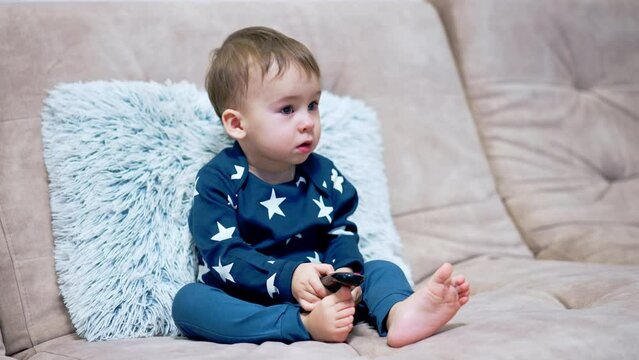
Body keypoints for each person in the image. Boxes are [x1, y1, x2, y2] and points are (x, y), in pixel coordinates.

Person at [171, 26, 470, 348]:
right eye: (287, 109)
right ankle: (302, 325)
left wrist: (346, 277)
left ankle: (399, 314)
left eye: (312, 105)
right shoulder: (218, 180)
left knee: (382, 268)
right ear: (237, 123)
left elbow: (340, 231)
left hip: (327, 288)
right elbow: (223, 254)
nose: (307, 121)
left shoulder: (324, 174)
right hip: (251, 296)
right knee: (189, 302)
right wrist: (290, 277)